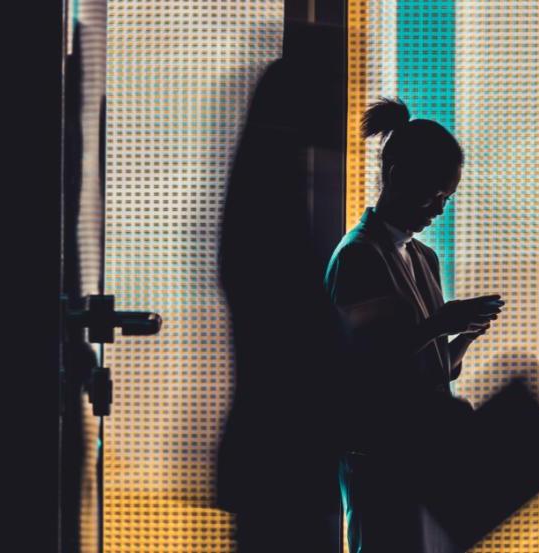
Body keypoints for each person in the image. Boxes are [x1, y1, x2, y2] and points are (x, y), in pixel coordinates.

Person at [325, 98, 504, 553]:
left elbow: (430, 365)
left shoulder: (423, 257)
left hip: (422, 450)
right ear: (397, 175)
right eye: (435, 195)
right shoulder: (359, 256)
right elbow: (363, 365)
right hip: (380, 455)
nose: (440, 210)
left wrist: (459, 337)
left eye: (447, 198)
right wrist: (441, 323)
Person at [216, 50, 351, 553]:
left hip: (275, 443)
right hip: (286, 445)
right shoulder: (274, 208)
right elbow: (298, 334)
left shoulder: (262, 193)